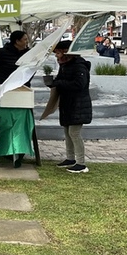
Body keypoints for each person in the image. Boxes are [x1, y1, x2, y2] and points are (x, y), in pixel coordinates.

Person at [0, 30, 31, 168]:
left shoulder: (28, 53)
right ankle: (5, 149)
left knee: (21, 122)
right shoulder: (3, 52)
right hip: (5, 90)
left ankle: (19, 152)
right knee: (5, 121)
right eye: (24, 39)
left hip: (22, 91)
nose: (26, 42)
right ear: (16, 41)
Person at [49, 40, 92, 173]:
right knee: (67, 132)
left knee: (74, 132)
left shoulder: (79, 65)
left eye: (57, 53)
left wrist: (60, 83)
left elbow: (79, 84)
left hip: (78, 104)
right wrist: (53, 83)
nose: (56, 56)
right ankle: (70, 158)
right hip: (67, 103)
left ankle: (81, 163)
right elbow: (61, 79)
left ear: (65, 51)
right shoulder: (64, 64)